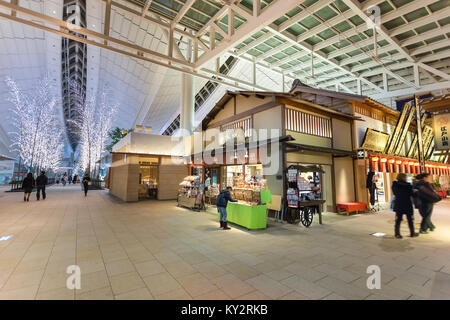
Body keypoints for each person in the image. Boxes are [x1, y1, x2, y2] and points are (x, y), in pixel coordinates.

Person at [392, 173, 419, 239]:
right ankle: (412, 233)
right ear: (404, 178)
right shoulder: (408, 186)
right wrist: (416, 191)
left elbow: (395, 193)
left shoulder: (395, 185)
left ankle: (397, 234)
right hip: (407, 204)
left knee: (398, 220)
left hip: (399, 204)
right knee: (410, 219)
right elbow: (412, 194)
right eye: (405, 177)